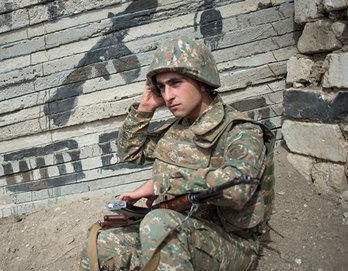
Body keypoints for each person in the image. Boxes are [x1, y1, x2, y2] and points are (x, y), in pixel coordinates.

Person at [79, 36, 275, 271]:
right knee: (103, 244)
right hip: (179, 225)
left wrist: (161, 184)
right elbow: (130, 153)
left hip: (231, 244)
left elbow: (237, 189)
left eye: (175, 83)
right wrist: (145, 108)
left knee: (158, 224)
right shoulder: (178, 129)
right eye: (161, 87)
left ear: (201, 81)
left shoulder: (240, 131)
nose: (168, 95)